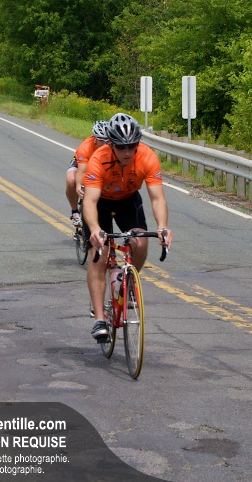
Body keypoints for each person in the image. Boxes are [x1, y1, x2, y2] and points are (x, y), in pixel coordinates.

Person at [83, 113, 173, 341]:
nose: (127, 152)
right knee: (99, 253)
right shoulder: (98, 159)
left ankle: (127, 284)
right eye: (121, 147)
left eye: (132, 146)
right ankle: (99, 318)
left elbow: (157, 198)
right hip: (100, 203)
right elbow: (90, 201)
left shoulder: (147, 157)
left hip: (128, 201)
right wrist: (95, 228)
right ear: (111, 145)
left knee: (141, 242)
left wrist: (163, 227)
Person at [66, 121, 109, 226]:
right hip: (83, 163)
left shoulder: (113, 147)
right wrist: (78, 185)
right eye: (101, 140)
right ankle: (75, 212)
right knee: (71, 180)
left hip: (100, 164)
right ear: (95, 139)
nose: (105, 144)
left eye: (108, 141)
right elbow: (82, 171)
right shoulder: (85, 148)